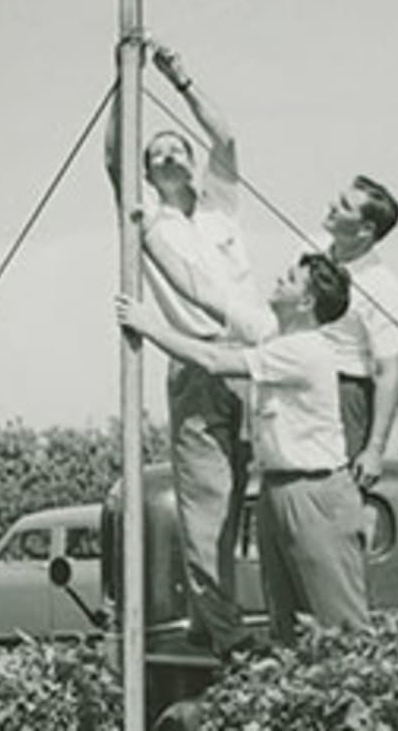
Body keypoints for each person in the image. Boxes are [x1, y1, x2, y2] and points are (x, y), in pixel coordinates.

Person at [103, 42, 272, 658]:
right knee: (206, 507)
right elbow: (115, 159)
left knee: (243, 507)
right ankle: (229, 639)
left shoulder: (222, 205)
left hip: (252, 364)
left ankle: (211, 621)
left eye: (178, 147)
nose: (170, 154)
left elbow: (225, 135)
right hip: (198, 362)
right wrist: (128, 81)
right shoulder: (144, 217)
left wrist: (180, 80)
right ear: (148, 173)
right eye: (158, 153)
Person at [120, 253, 370, 644]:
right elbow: (207, 294)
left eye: (290, 278)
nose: (279, 278)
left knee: (338, 621)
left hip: (315, 493)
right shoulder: (275, 332)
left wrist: (150, 326)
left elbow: (213, 359)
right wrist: (150, 232)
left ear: (306, 302)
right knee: (288, 622)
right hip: (277, 489)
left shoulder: (304, 349)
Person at [320, 175, 398, 489]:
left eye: (344, 206)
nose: (332, 206)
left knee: (333, 496)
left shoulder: (382, 285)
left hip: (344, 395)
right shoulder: (311, 248)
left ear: (366, 229)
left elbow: (388, 371)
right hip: (297, 383)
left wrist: (374, 450)